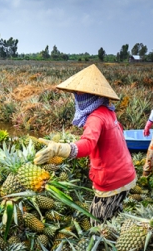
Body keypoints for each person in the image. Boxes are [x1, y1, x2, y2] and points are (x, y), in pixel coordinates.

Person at [33, 65, 136, 222]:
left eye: (79, 92)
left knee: (97, 222)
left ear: (92, 94)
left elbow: (87, 144)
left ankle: (104, 245)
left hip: (112, 180)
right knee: (114, 215)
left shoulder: (95, 117)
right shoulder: (108, 110)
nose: (76, 96)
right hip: (126, 174)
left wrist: (59, 148)